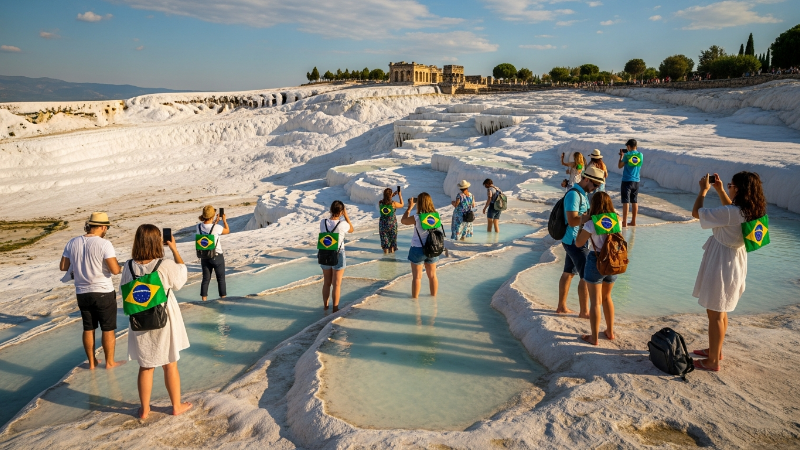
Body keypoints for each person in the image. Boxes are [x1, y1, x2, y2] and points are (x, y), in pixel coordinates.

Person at [690, 172, 766, 372]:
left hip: (722, 262)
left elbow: (696, 213)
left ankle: (713, 361)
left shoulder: (732, 213)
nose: (729, 188)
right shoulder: (750, 210)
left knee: (715, 311)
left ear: (738, 189)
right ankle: (716, 351)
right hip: (735, 260)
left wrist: (703, 191)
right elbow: (731, 211)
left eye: (731, 185)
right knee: (720, 309)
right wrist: (721, 190)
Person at [122, 224, 192, 419]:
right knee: (170, 363)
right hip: (163, 318)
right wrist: (175, 250)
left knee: (145, 365)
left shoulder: (128, 266)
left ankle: (144, 410)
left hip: (139, 318)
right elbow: (180, 280)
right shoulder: (164, 264)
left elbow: (124, 290)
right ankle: (176, 406)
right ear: (157, 241)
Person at [60, 212, 122, 370]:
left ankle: (92, 363)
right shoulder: (104, 244)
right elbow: (115, 270)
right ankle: (110, 363)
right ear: (103, 227)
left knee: (88, 328)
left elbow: (63, 267)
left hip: (82, 292)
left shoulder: (72, 242)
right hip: (103, 291)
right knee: (108, 328)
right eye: (106, 227)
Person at [557, 166, 605, 318]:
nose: (596, 188)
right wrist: (592, 217)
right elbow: (572, 221)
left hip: (572, 239)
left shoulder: (582, 194)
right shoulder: (574, 195)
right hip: (574, 240)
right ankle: (584, 312)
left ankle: (561, 306)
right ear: (586, 179)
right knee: (586, 277)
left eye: (598, 185)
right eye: (595, 184)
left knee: (569, 272)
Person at [575, 192, 618, 345]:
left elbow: (579, 243)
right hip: (613, 261)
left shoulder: (591, 223)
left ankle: (594, 338)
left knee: (595, 302)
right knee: (607, 298)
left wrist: (582, 223)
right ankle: (610, 332)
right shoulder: (616, 220)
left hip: (596, 260)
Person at [401, 192, 439, 298]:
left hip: (418, 249)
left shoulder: (417, 217)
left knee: (417, 277)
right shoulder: (436, 215)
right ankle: (433, 299)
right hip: (433, 248)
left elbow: (403, 221)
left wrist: (409, 208)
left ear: (419, 203)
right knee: (432, 276)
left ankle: (414, 301)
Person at [320, 200, 354, 312]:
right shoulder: (343, 224)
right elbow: (351, 229)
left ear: (331, 210)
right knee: (337, 284)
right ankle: (335, 309)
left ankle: (325, 307)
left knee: (326, 282)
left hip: (324, 252)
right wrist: (346, 216)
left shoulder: (323, 222)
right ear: (341, 211)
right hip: (338, 253)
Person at [197, 206, 230, 301]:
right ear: (212, 216)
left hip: (204, 256)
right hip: (217, 256)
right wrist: (224, 221)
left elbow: (208, 229)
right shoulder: (217, 228)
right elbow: (227, 231)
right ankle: (223, 300)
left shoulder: (198, 226)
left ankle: (204, 300)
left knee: (205, 279)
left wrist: (215, 222)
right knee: (221, 279)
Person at [618, 139, 643, 227]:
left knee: (626, 201)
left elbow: (620, 166)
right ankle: (633, 221)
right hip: (636, 181)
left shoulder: (627, 155)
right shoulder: (640, 155)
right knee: (634, 201)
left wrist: (621, 156)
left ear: (629, 146)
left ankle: (624, 222)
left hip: (627, 180)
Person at [378, 187, 403, 254]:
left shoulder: (380, 203)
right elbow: (402, 205)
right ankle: (392, 257)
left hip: (383, 224)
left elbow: (386, 201)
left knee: (385, 242)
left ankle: (385, 256)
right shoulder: (393, 203)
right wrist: (400, 195)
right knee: (392, 242)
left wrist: (391, 195)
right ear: (390, 195)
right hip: (392, 224)